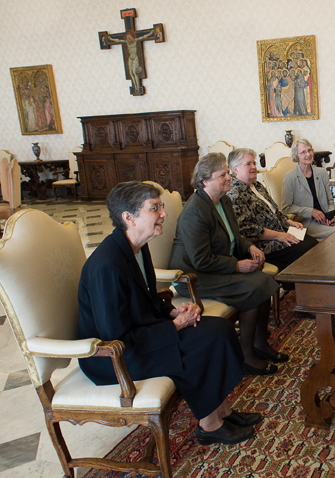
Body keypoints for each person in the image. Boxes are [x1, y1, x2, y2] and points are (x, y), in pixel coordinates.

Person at [78, 181, 260, 446]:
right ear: (128, 217)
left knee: (218, 328)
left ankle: (224, 411)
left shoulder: (136, 248)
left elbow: (147, 302)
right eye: (154, 208)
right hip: (113, 357)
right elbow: (118, 337)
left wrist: (175, 311)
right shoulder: (107, 265)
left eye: (161, 206)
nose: (164, 214)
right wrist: (174, 327)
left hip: (139, 335)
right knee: (202, 343)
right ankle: (210, 426)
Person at [169, 153, 286, 376]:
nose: (228, 177)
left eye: (227, 172)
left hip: (216, 267)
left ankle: (260, 344)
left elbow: (235, 235)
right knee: (252, 288)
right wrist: (237, 266)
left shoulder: (222, 200)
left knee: (262, 281)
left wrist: (249, 247)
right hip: (195, 277)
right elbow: (201, 260)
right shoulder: (195, 212)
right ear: (205, 181)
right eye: (222, 174)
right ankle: (246, 356)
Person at [227, 148, 318, 272]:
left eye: (254, 163)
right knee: (308, 249)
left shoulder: (257, 186)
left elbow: (274, 210)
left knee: (314, 244)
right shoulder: (235, 194)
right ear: (235, 169)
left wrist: (288, 221)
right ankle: (296, 285)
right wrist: (280, 236)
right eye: (248, 164)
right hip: (266, 244)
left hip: (281, 232)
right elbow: (247, 229)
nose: (254, 167)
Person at [281, 138, 335, 240]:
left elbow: (330, 200)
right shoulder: (290, 177)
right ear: (296, 156)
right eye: (303, 152)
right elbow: (286, 208)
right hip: (307, 222)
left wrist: (331, 216)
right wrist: (311, 212)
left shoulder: (322, 173)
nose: (308, 154)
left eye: (309, 150)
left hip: (326, 219)